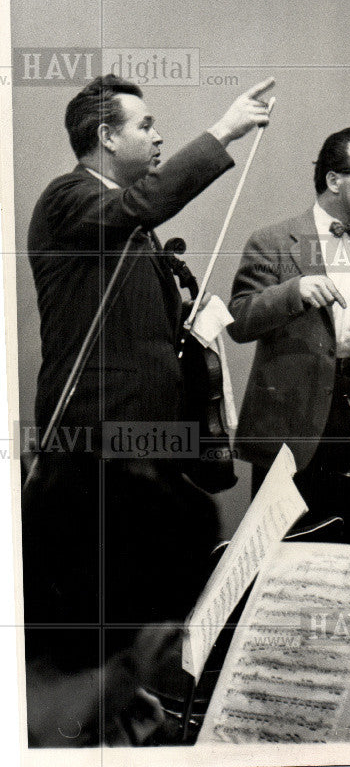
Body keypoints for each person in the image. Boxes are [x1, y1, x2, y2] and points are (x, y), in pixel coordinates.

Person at [23, 72, 275, 734]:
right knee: (97, 613)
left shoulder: (130, 224)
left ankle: (135, 711)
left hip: (143, 449)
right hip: (96, 450)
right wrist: (224, 133)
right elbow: (141, 206)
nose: (158, 135)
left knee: (142, 607)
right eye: (145, 125)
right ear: (106, 137)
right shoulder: (70, 198)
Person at [228, 127, 350, 538]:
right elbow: (238, 321)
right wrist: (294, 291)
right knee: (280, 547)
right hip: (291, 421)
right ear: (333, 180)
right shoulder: (271, 240)